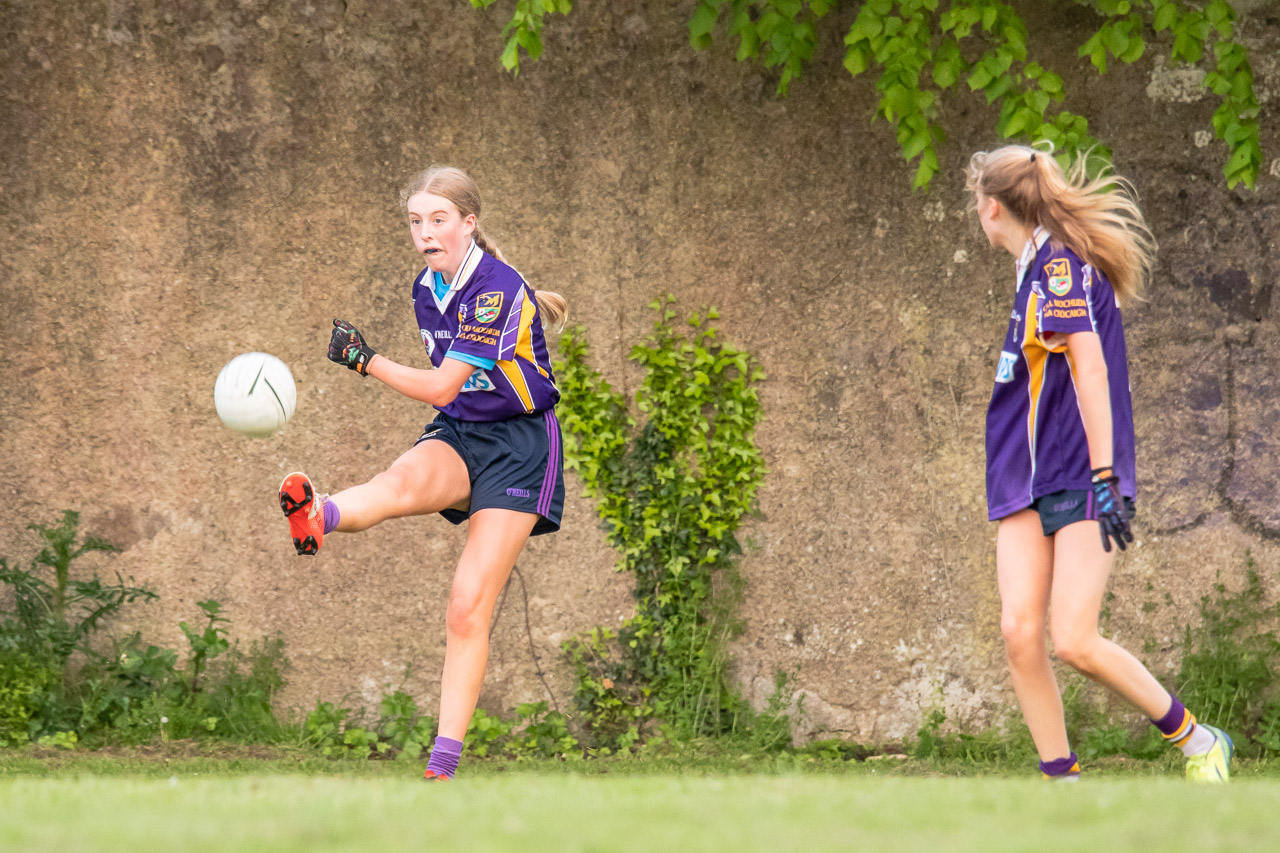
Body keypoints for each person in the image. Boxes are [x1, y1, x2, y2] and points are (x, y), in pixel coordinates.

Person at [277, 166, 568, 781]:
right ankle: (319, 513)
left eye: (439, 220)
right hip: (461, 429)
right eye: (416, 221)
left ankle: (443, 765)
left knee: (467, 606)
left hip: (519, 446)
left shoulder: (493, 288)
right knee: (397, 484)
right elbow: (449, 396)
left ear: (468, 222)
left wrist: (365, 360)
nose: (426, 233)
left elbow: (439, 383)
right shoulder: (425, 288)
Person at [967, 144, 1231, 783]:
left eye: (977, 201)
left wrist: (1106, 475)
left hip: (1082, 475)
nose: (977, 212)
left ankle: (1199, 742)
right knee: (1018, 632)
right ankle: (1064, 785)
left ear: (992, 207)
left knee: (1074, 640)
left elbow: (1090, 366)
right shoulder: (1038, 270)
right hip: (1024, 480)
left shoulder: (1058, 269)